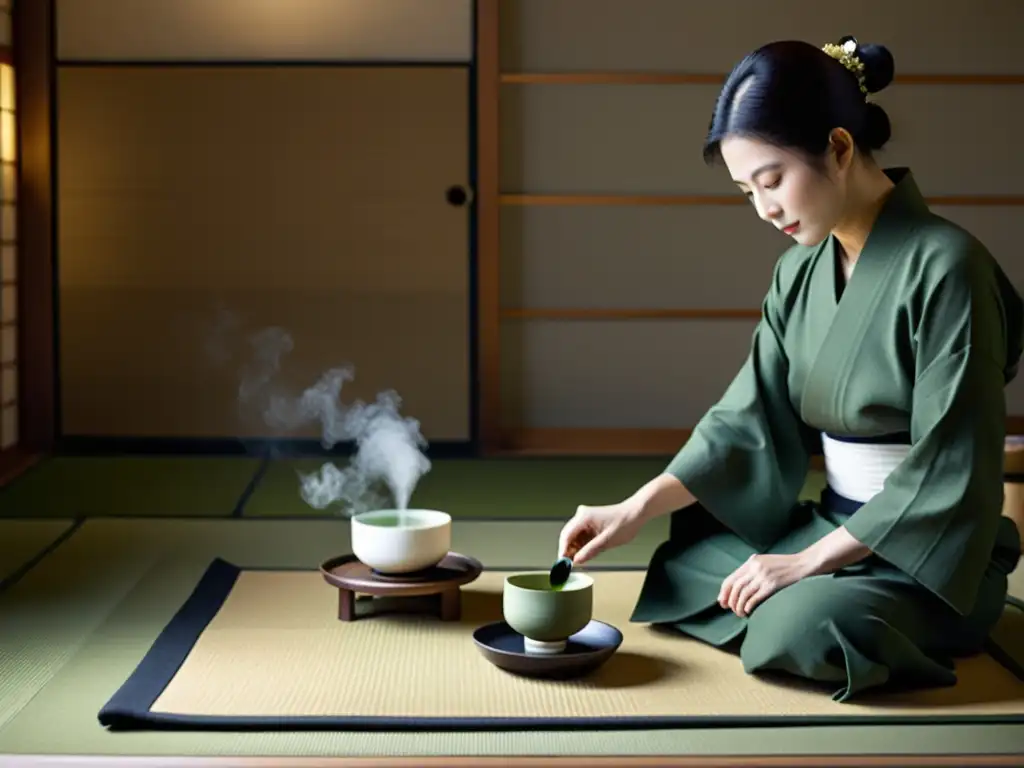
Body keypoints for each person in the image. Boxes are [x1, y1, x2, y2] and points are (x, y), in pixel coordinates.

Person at [557, 36, 1023, 702]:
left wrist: (804, 563)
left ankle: (821, 603)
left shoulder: (949, 267)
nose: (764, 208)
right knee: (684, 561)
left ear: (838, 147)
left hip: (927, 553)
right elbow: (747, 420)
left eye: (771, 180)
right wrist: (634, 508)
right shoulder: (799, 270)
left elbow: (953, 461)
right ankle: (796, 596)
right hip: (832, 525)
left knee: (804, 624)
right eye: (746, 190)